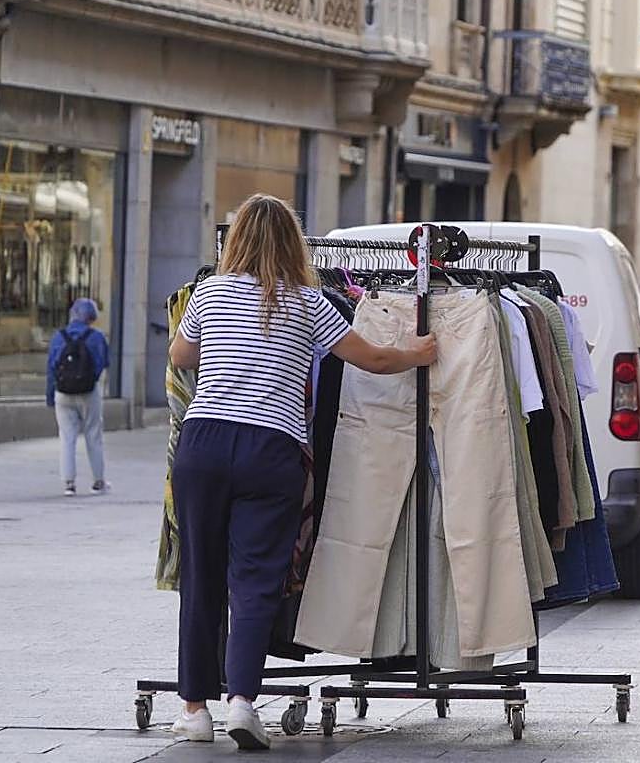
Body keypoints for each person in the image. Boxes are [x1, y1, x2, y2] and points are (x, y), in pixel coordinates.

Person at [167, 194, 437, 750]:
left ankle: (195, 709)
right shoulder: (310, 302)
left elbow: (179, 356)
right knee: (256, 580)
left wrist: (223, 346)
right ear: (294, 243)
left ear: (235, 240)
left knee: (202, 578)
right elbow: (372, 359)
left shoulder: (208, 293)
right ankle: (242, 699)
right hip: (274, 448)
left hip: (205, 441)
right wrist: (419, 351)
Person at [46, 298, 110, 496]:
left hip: (63, 393)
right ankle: (98, 482)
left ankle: (69, 484)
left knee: (67, 437)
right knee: (93, 435)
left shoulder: (58, 337)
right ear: (91, 317)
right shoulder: (96, 337)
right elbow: (103, 364)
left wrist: (50, 396)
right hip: (88, 393)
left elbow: (51, 369)